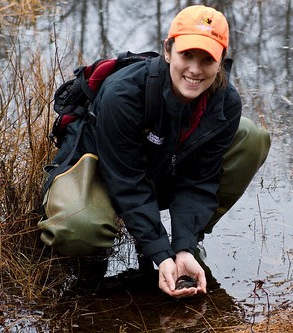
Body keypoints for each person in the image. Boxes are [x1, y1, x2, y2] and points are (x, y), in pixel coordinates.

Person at [40, 5, 270, 298]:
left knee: (252, 137)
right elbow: (127, 182)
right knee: (79, 228)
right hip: (102, 173)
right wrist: (159, 254)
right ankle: (93, 260)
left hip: (157, 170)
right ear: (168, 50)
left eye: (207, 59)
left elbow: (198, 182)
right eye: (187, 55)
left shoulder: (225, 103)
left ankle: (187, 242)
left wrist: (182, 247)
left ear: (221, 60)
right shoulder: (123, 94)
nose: (195, 70)